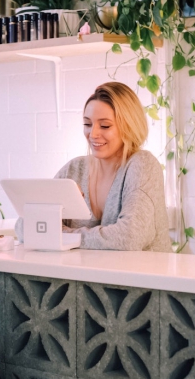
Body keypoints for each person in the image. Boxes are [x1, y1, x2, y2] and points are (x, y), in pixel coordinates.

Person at [17, 82, 171, 252]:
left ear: (129, 126)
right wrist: (56, 206)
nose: (93, 134)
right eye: (87, 124)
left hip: (141, 277)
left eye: (105, 125)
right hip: (87, 276)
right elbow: (24, 228)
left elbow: (130, 237)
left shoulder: (142, 165)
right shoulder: (75, 169)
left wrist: (64, 237)